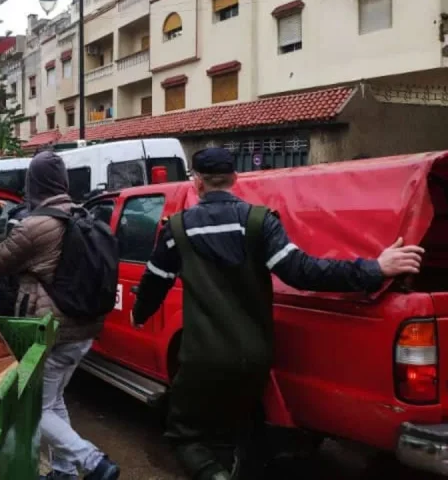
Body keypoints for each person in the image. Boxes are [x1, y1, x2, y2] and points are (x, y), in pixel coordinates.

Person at [129, 147, 425, 480]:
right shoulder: (260, 222)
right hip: (254, 359)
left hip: (202, 357)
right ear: (235, 179)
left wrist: (139, 314)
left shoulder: (178, 230)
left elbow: (154, 282)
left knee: (186, 434)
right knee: (237, 431)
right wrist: (375, 268)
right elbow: (303, 271)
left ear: (196, 183)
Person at [0, 151, 120, 480]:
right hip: (84, 327)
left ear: (33, 183)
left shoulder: (36, 226)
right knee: (53, 400)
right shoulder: (83, 215)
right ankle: (65, 471)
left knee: (33, 406)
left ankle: (93, 462)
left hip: (55, 331)